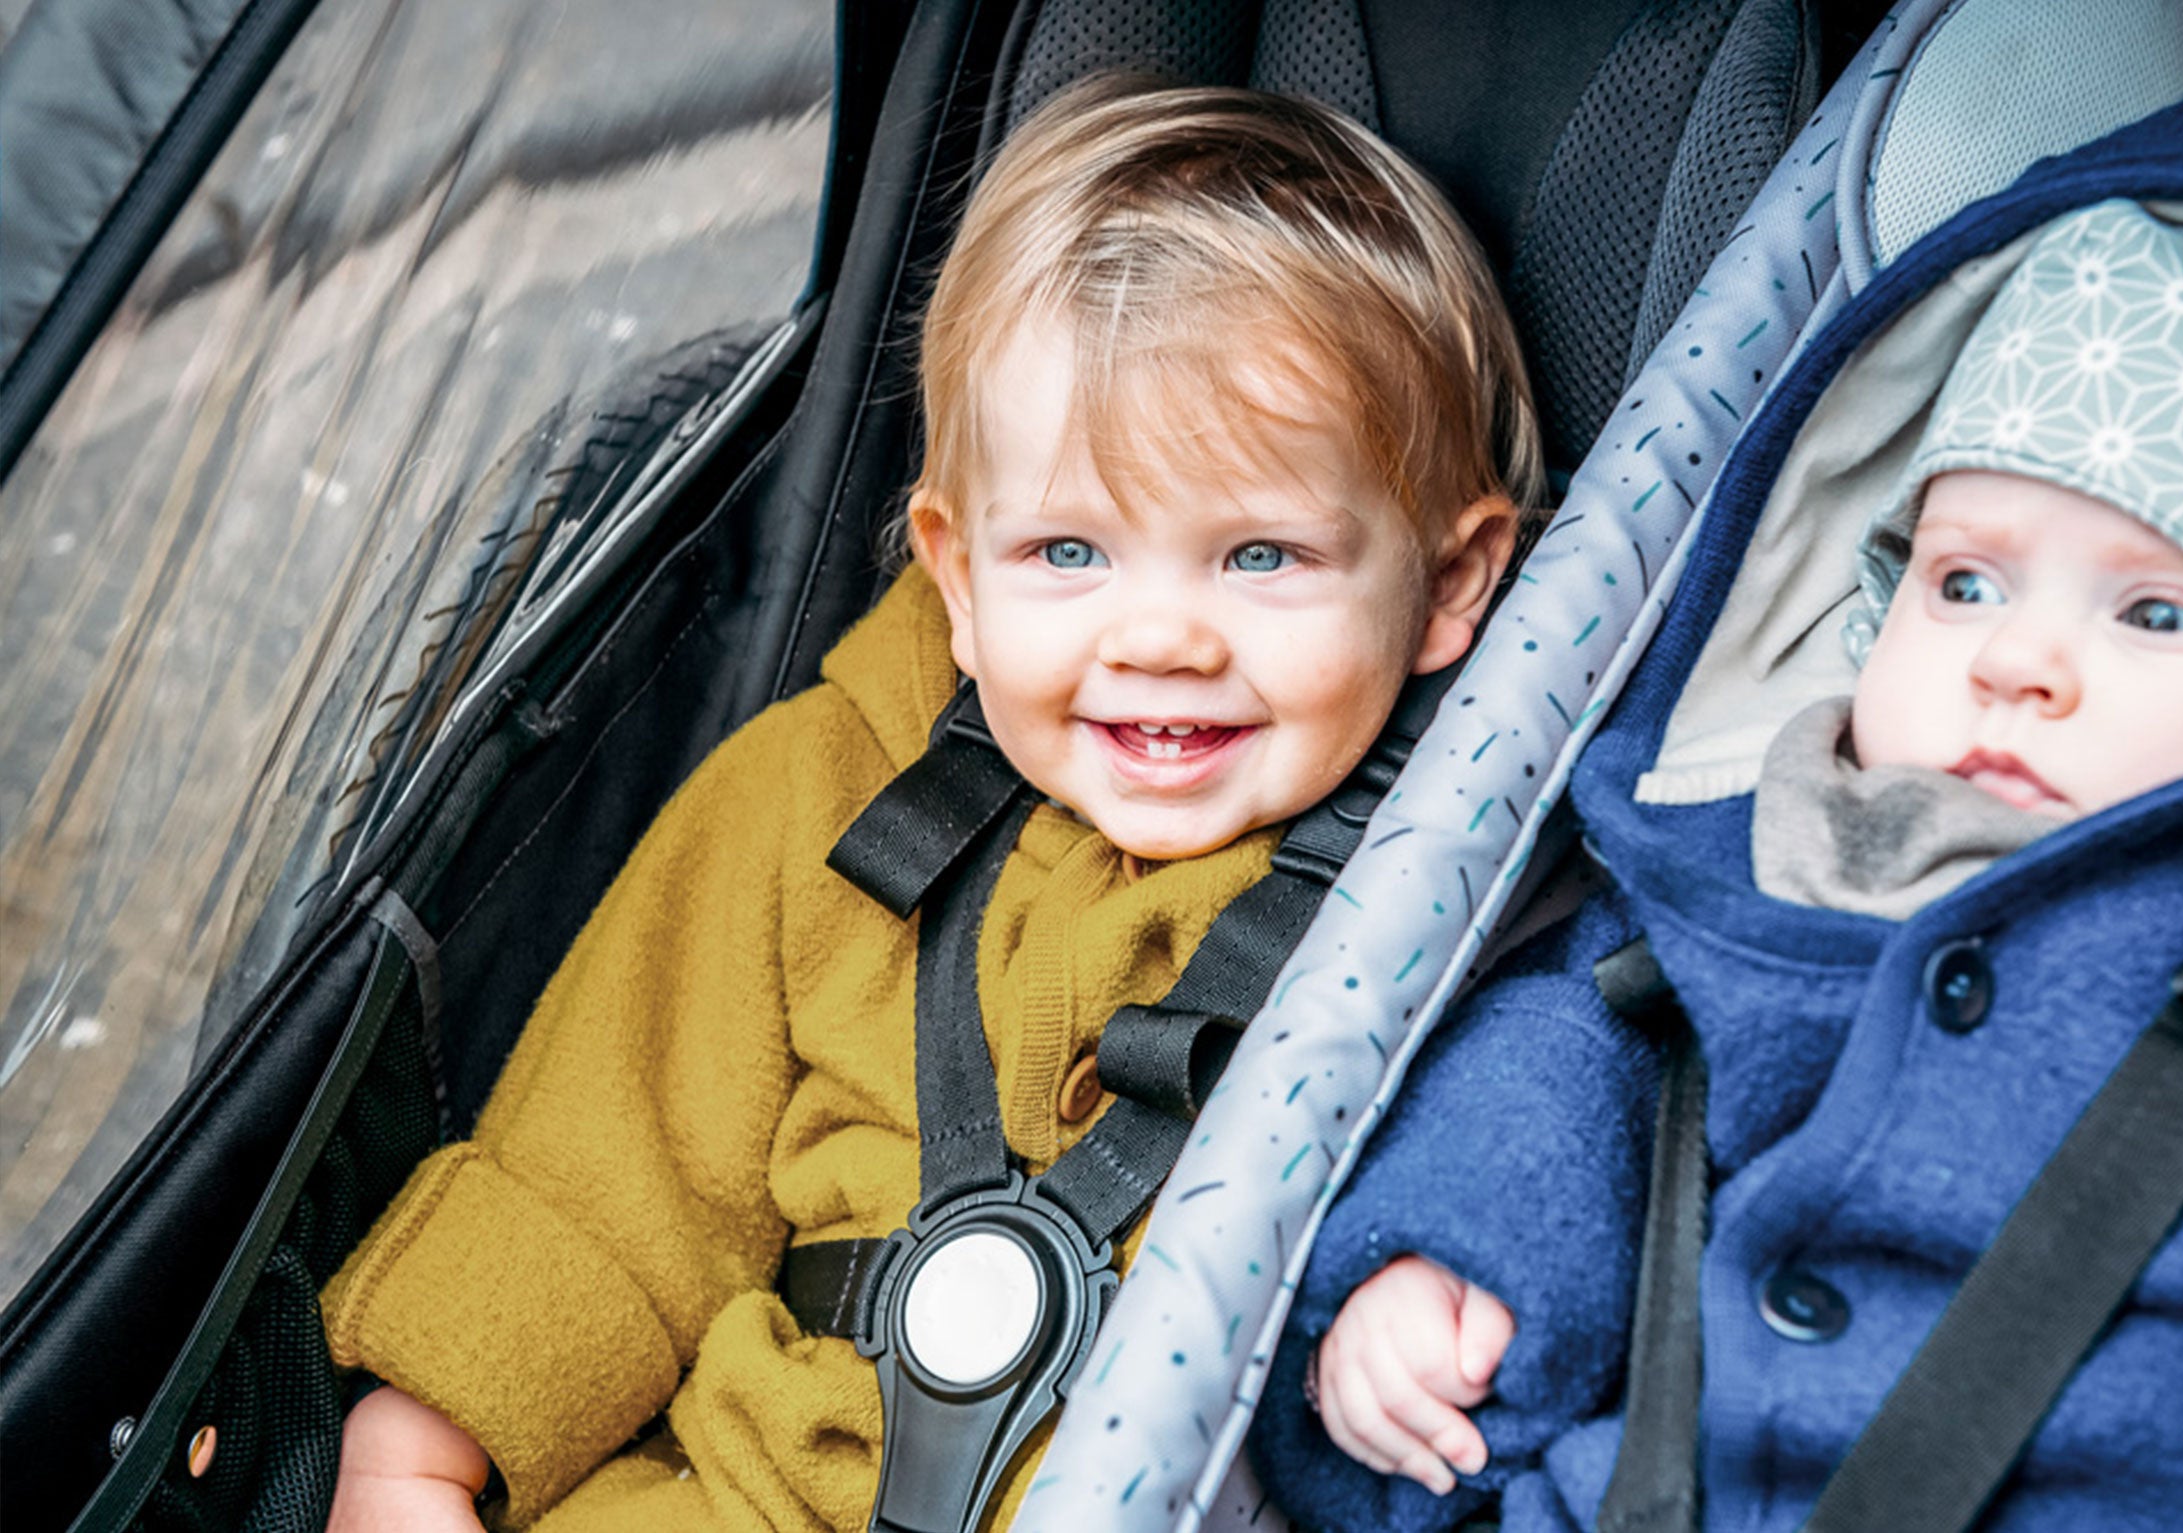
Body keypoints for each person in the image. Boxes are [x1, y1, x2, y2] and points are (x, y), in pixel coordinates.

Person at [1249, 89, 2183, 1533]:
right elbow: (1570, 1056)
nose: (2014, 661)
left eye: (2156, 613)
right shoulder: (1766, 851)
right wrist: (1446, 1262)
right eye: (1964, 582)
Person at [320, 77, 1538, 1533]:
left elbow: (1523, 1121)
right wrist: (421, 1446)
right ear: (956, 578)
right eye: (1068, 552)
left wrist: (1421, 1270)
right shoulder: (823, 795)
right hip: (749, 1492)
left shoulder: (1454, 875)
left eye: (1261, 557)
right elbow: (607, 1164)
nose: (1160, 638)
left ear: (1449, 582)